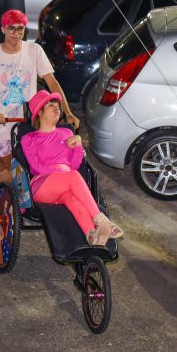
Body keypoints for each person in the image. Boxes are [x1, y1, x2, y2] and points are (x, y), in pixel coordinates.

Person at [0, 9, 79, 228]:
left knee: (28, 167)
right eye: (11, 29)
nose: (16, 34)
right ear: (3, 29)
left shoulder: (34, 51)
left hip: (29, 122)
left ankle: (15, 200)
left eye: (20, 29)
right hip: (3, 123)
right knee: (6, 169)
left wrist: (67, 111)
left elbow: (52, 83)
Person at [22, 91, 123, 246]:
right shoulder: (29, 139)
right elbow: (36, 167)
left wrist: (78, 145)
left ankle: (92, 236)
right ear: (39, 112)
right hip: (42, 185)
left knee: (71, 199)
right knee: (73, 176)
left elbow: (74, 165)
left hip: (66, 183)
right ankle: (101, 220)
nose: (57, 107)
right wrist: (62, 172)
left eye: (57, 105)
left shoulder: (67, 132)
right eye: (51, 105)